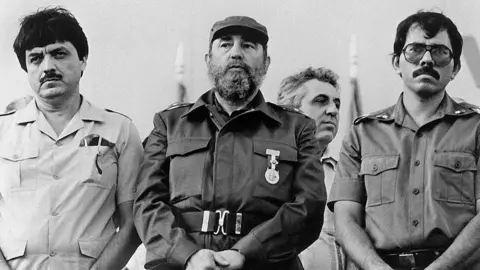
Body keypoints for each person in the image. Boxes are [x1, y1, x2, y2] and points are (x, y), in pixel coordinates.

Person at [134, 16, 326, 270]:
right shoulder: (169, 124)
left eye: (248, 46)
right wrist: (187, 255)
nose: (236, 53)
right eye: (225, 45)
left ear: (266, 63)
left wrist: (245, 252)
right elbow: (147, 202)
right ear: (208, 60)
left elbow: (309, 207)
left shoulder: (296, 128)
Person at [328, 11, 480, 270]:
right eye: (415, 50)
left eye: (441, 52)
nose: (427, 59)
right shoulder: (362, 134)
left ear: (454, 68)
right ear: (397, 63)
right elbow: (346, 222)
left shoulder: (476, 129)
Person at [0, 7, 143, 270]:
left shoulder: (120, 130)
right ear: (27, 69)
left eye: (59, 53)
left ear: (83, 60)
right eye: (35, 59)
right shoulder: (2, 132)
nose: (48, 67)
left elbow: (133, 224)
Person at [278, 67, 345, 270]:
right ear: (292, 111)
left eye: (337, 103)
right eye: (321, 100)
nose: (333, 110)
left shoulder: (346, 171)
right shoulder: (269, 169)